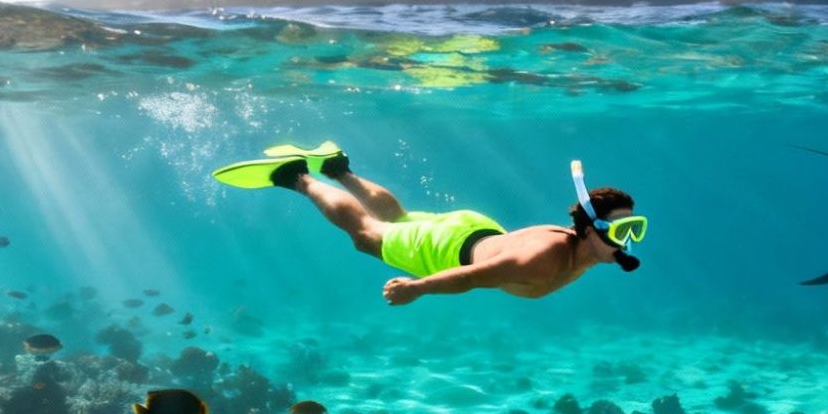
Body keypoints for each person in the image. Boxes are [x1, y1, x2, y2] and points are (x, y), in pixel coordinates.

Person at [213, 142, 645, 305]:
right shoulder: (543, 260)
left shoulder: (582, 248)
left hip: (474, 227)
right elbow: (474, 276)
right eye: (622, 230)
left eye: (634, 229)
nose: (629, 241)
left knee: (397, 219)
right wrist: (417, 287)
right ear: (589, 230)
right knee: (367, 235)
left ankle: (338, 167)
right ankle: (298, 176)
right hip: (447, 249)